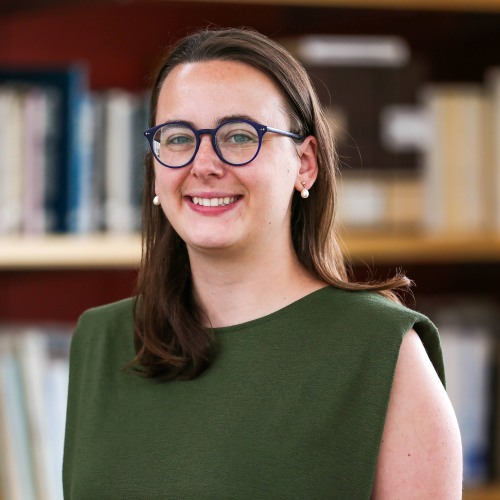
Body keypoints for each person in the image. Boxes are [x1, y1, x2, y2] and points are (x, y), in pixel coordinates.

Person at [63, 27, 462, 498]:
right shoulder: (100, 341)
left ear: (305, 163)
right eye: (176, 138)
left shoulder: (382, 352)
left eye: (238, 136)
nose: (204, 164)